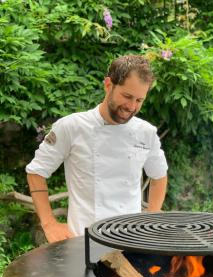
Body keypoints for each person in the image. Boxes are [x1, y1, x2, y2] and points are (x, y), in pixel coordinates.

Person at [26, 54, 168, 244]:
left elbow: (159, 175)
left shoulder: (146, 132)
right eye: (127, 96)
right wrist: (49, 223)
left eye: (139, 100)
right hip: (83, 241)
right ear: (108, 85)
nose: (131, 106)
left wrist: (151, 219)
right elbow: (36, 172)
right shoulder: (71, 127)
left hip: (131, 241)